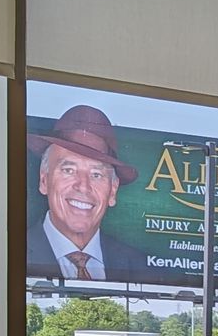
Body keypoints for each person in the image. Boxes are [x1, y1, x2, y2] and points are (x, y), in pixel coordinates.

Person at [27, 106, 149, 281]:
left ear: (112, 191)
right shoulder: (9, 253)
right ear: (44, 180)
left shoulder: (138, 266)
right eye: (69, 170)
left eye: (96, 175)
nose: (83, 186)